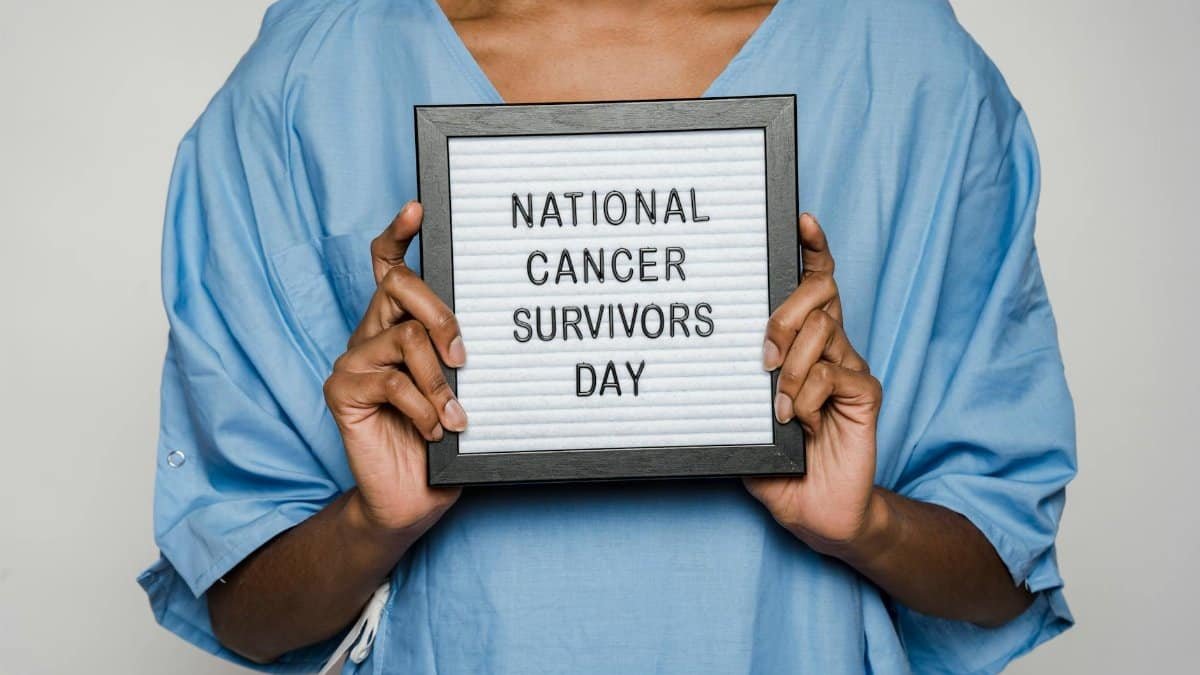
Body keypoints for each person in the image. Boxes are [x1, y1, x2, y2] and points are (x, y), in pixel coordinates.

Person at [137, 1, 1076, 673]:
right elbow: (245, 610)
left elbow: (1005, 574)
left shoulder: (914, 69)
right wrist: (372, 521)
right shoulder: (307, 80)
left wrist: (866, 524)